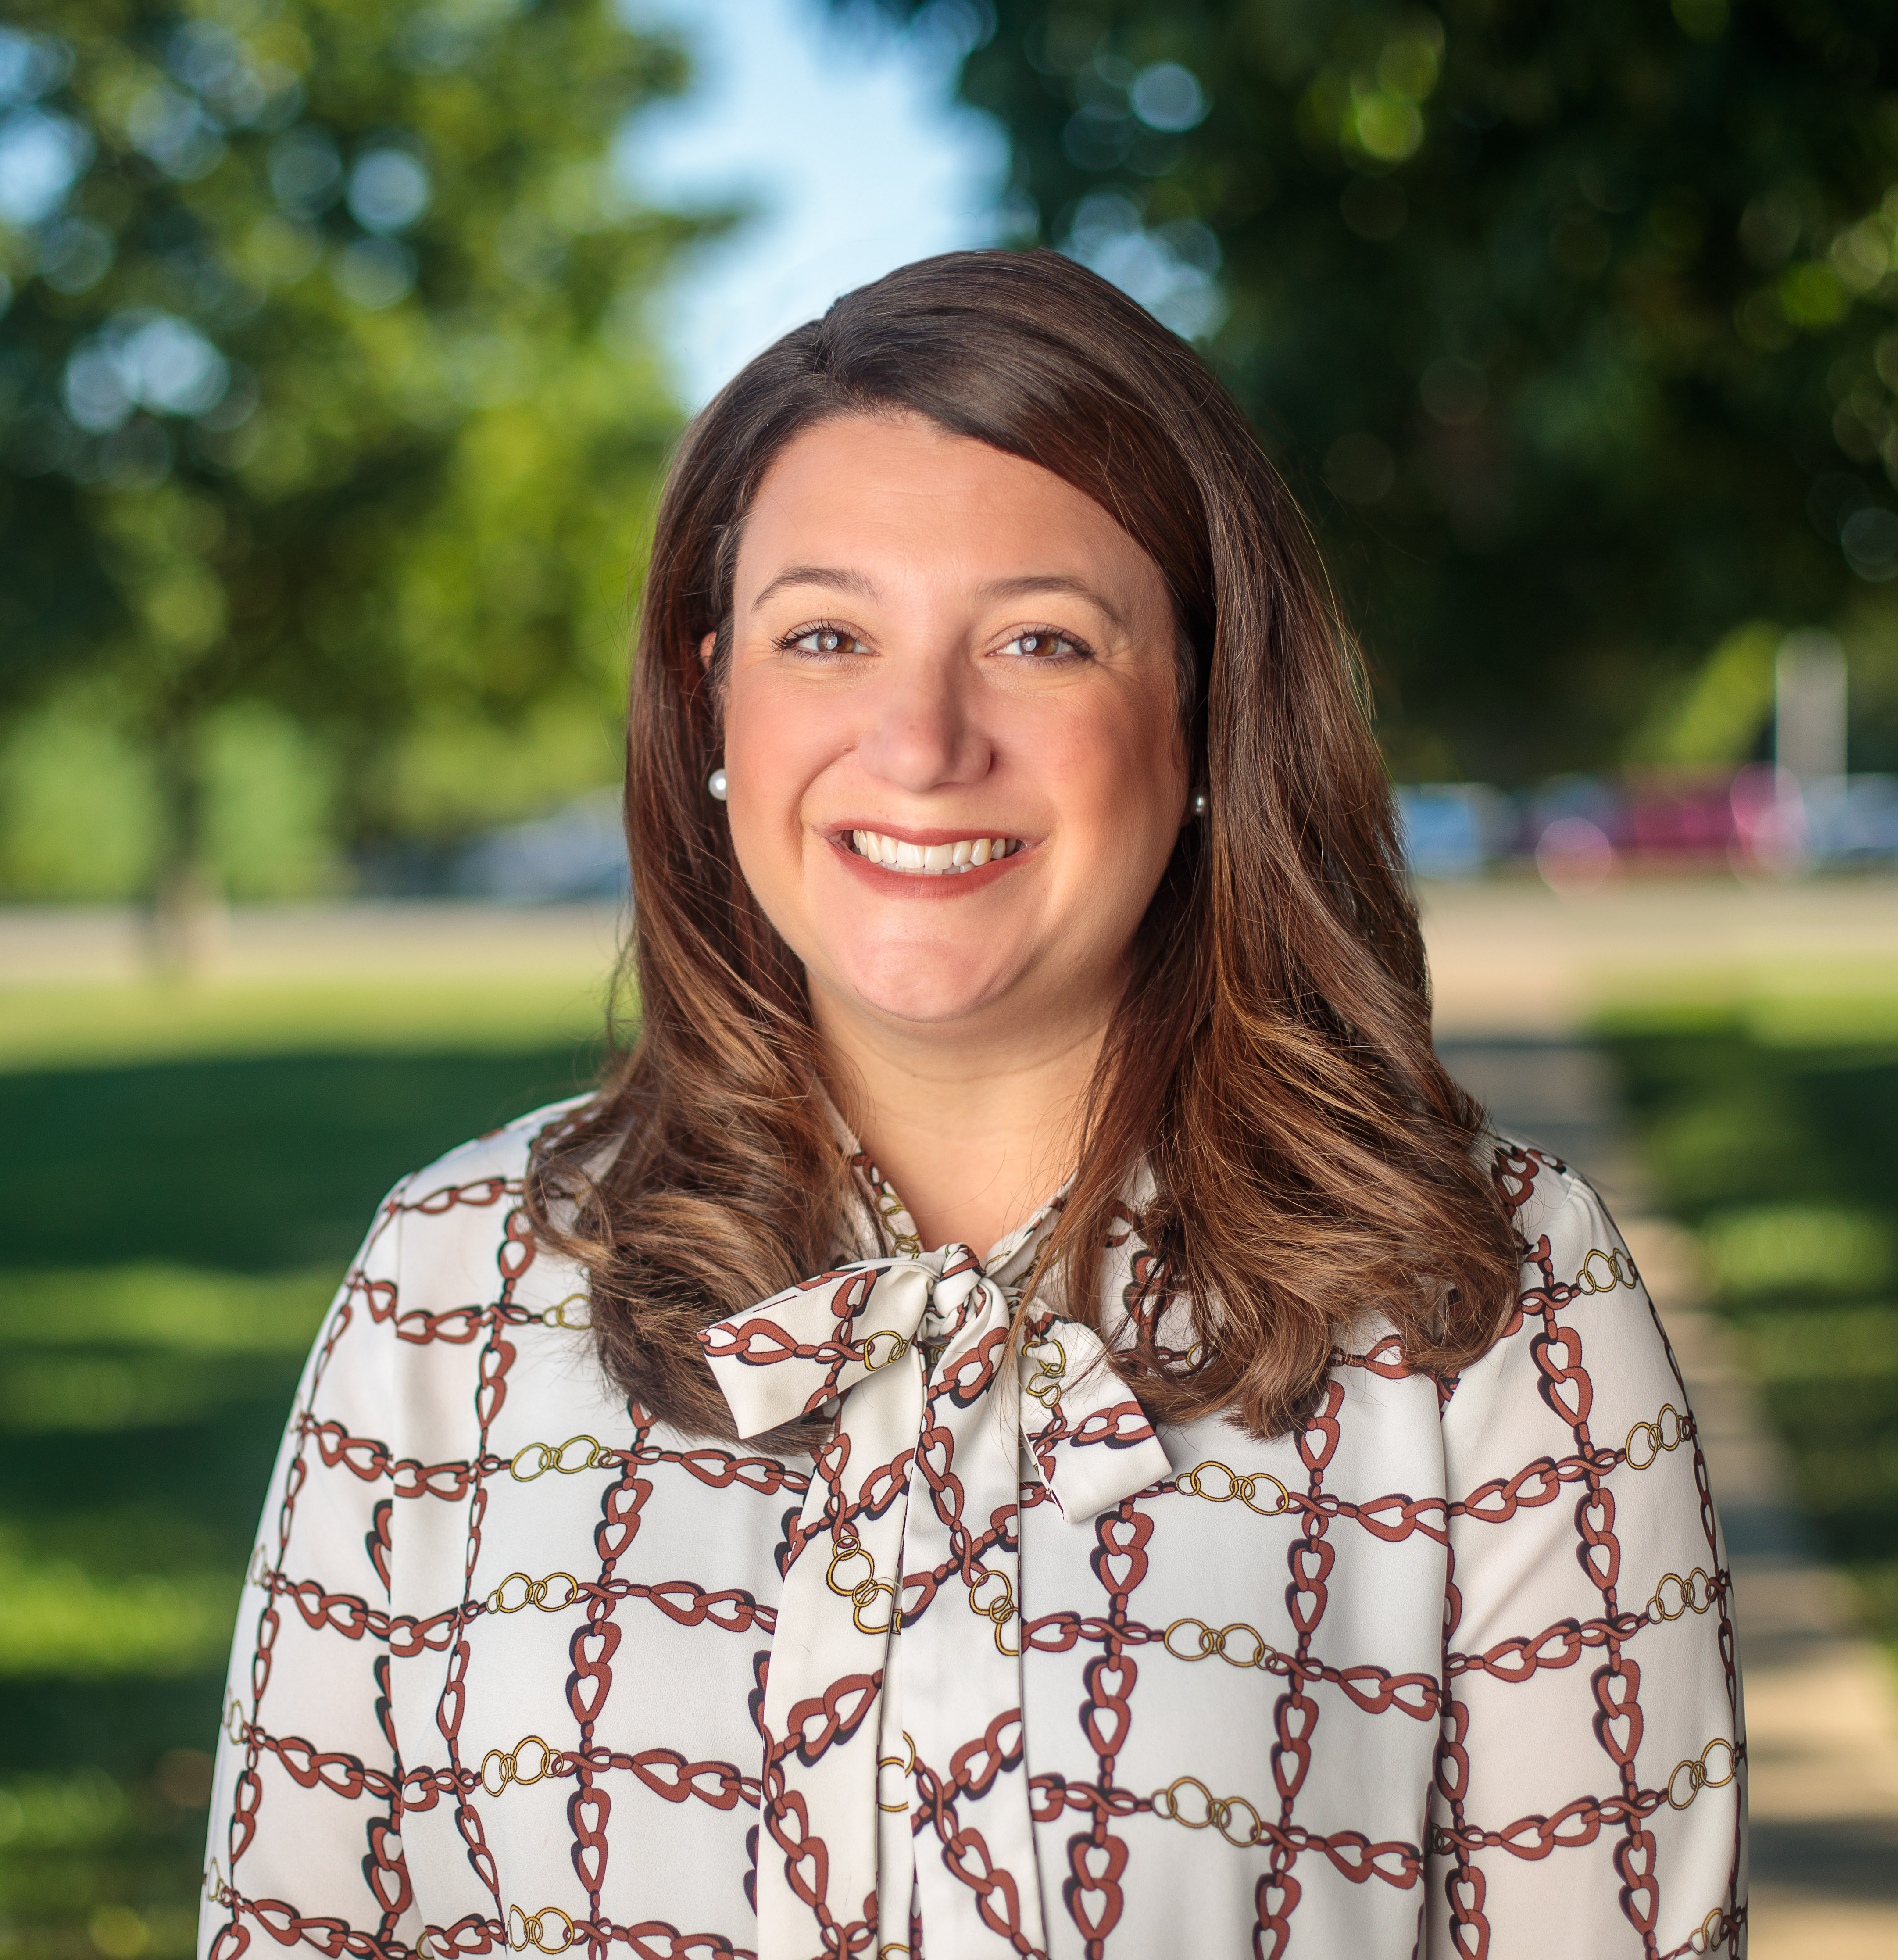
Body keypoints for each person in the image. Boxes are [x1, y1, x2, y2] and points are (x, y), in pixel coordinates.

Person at [199, 250, 1743, 1960]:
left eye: (1037, 639)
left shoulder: (1487, 1297)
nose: (920, 742)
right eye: (827, 635)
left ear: (1204, 704)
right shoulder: (452, 1282)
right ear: (714, 696)